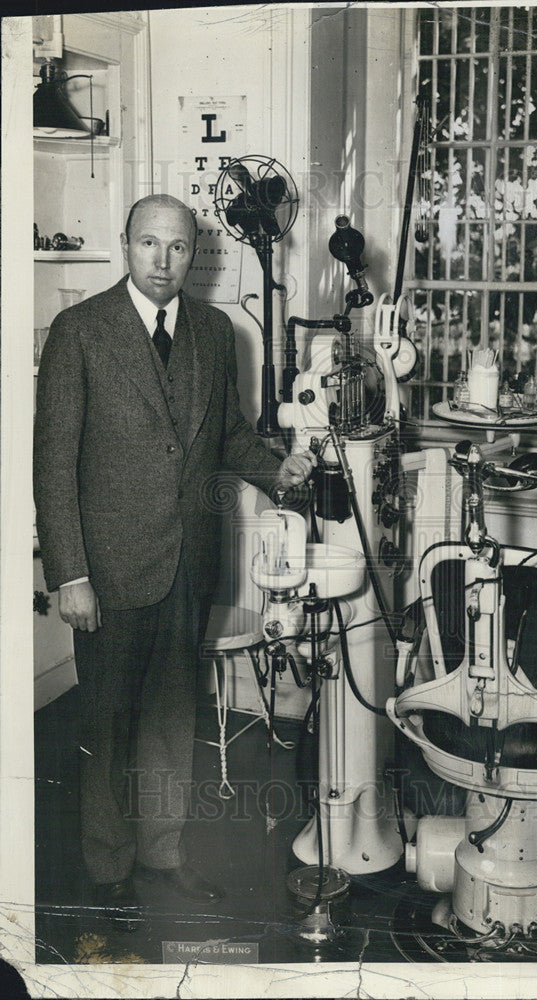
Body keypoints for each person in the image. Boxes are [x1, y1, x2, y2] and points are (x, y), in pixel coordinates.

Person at [33, 194, 314, 930]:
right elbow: (54, 464)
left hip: (187, 564)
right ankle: (106, 867)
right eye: (149, 245)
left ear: (197, 252)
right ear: (124, 244)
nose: (163, 262)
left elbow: (225, 435)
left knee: (170, 720)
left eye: (179, 248)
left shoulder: (215, 332)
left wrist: (277, 471)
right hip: (109, 569)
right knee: (108, 725)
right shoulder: (80, 331)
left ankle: (164, 854)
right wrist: (69, 574)